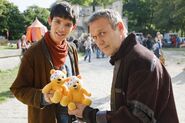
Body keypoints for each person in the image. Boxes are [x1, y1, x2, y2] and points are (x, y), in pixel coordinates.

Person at [68, 9, 179, 123]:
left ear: (120, 28)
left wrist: (89, 114)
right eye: (94, 37)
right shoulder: (126, 56)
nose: (99, 42)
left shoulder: (140, 61)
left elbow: (136, 118)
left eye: (102, 33)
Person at [10, 2, 79, 123]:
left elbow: (75, 80)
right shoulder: (33, 53)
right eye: (57, 21)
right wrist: (43, 97)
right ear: (49, 20)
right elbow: (18, 89)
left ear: (73, 27)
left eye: (67, 24)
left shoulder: (72, 50)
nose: (62, 28)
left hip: (70, 117)